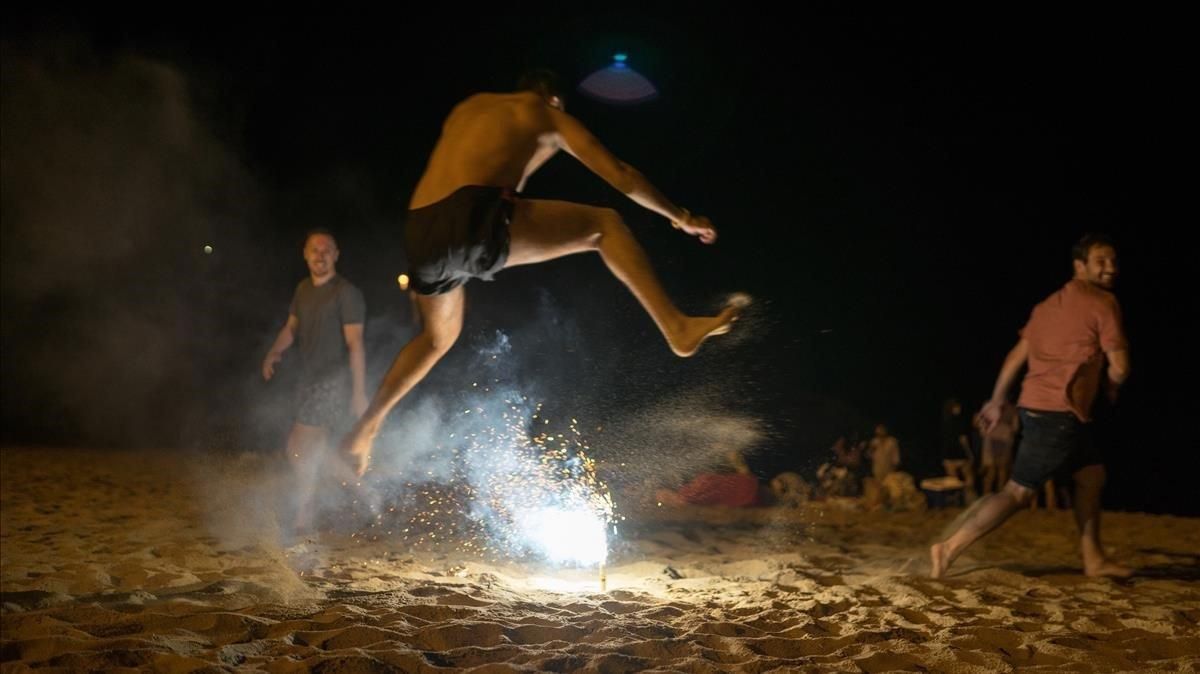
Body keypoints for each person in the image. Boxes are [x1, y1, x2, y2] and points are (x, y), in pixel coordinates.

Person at [342, 69, 744, 475]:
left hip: (420, 228)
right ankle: (676, 327)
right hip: (472, 218)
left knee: (436, 338)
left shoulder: (472, 105)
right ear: (553, 99)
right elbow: (621, 176)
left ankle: (367, 427)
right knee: (605, 224)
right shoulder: (546, 115)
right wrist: (682, 216)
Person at [931, 233, 1132, 579]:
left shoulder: (1046, 306)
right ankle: (948, 548)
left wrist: (996, 401)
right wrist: (1111, 385)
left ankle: (1094, 559)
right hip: (1059, 412)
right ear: (1079, 265)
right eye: (1101, 260)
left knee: (1091, 476)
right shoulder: (1103, 303)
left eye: (1113, 260)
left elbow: (1015, 356)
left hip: (1043, 409)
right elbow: (1121, 365)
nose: (1110, 267)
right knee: (1019, 492)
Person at [262, 229, 367, 530]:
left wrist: (359, 392)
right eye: (314, 249)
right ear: (305, 254)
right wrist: (273, 352)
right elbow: (291, 328)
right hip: (308, 380)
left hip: (332, 380)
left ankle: (305, 515)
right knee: (312, 450)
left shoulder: (346, 293)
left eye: (326, 249)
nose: (320, 254)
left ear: (336, 255)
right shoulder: (303, 289)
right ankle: (367, 493)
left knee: (299, 445)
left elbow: (356, 344)